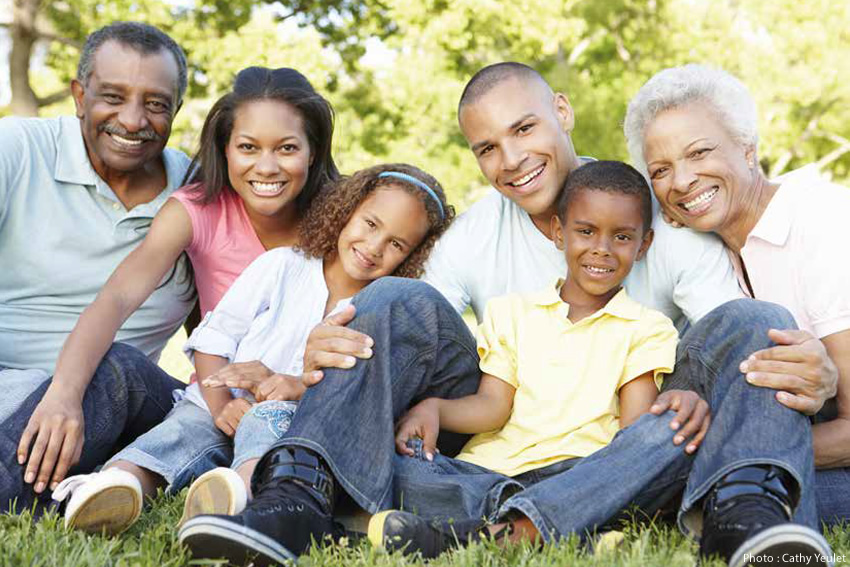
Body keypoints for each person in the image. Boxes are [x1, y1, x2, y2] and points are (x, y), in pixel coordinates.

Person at [178, 63, 837, 567]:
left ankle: (740, 514)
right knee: (389, 299)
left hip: (631, 441)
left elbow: (733, 345)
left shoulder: (655, 216)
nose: (511, 159)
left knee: (754, 326)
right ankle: (296, 496)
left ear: (562, 110)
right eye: (487, 147)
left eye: (523, 129)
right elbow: (414, 342)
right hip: (503, 442)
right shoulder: (475, 237)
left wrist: (693, 388)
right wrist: (325, 361)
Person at [51, 163, 454, 536]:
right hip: (217, 403)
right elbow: (213, 341)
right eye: (370, 223)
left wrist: (291, 386)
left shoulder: (380, 312)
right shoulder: (281, 266)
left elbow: (355, 400)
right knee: (181, 433)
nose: (374, 246)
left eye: (397, 243)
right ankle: (116, 482)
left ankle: (236, 497)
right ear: (347, 210)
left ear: (412, 255)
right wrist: (222, 404)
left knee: (267, 433)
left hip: (289, 424)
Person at [44, 65, 339, 522]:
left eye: (286, 148)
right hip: (218, 394)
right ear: (224, 148)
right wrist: (63, 395)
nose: (266, 167)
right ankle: (116, 482)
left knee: (280, 441)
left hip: (308, 397)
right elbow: (118, 298)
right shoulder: (198, 210)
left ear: (313, 151)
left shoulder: (343, 220)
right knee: (173, 418)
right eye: (247, 147)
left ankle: (245, 495)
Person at [367, 160, 685, 557]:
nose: (601, 249)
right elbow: (492, 407)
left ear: (644, 245)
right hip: (488, 471)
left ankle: (469, 534)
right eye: (585, 231)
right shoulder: (511, 312)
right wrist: (434, 408)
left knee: (662, 445)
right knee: (407, 465)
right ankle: (563, 527)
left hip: (576, 473)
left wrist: (613, 475)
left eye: (621, 237)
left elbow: (632, 437)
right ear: (558, 232)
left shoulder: (647, 328)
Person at [623, 63, 850, 529]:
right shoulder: (711, 254)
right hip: (783, 452)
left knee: (683, 497)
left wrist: (725, 449)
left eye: (700, 152)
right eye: (661, 170)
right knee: (685, 495)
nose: (681, 181)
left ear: (748, 147)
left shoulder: (821, 222)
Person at [0, 22, 193, 514]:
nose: (133, 121)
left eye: (156, 103)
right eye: (113, 96)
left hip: (114, 399)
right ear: (79, 96)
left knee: (120, 365)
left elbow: (230, 322)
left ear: (175, 111)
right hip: (8, 387)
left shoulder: (198, 196)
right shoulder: (17, 150)